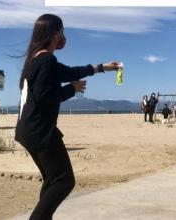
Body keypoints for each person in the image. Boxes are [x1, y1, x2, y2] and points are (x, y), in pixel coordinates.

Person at [14, 14, 120, 220]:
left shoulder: (37, 59)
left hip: (29, 130)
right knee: (64, 181)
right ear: (54, 33)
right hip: (40, 132)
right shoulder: (46, 60)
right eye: (62, 31)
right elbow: (46, 96)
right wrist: (72, 89)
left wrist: (101, 68)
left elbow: (71, 71)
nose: (63, 36)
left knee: (52, 180)